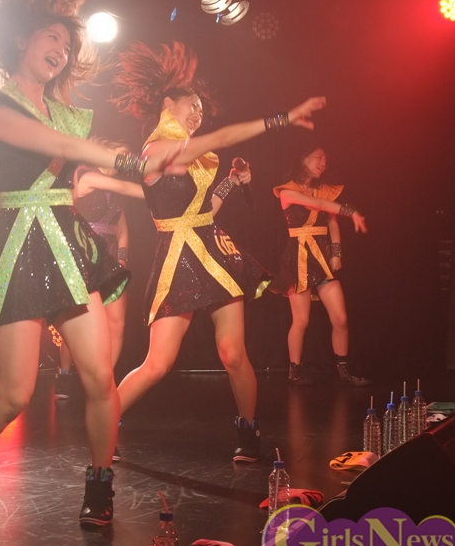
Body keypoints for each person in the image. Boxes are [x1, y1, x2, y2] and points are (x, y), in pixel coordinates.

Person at [0, 0, 185, 526]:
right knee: (14, 395)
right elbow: (62, 147)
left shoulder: (68, 112)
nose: (63, 51)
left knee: (99, 377)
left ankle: (100, 484)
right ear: (23, 39)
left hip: (68, 246)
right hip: (19, 250)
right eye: (53, 38)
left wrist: (149, 165)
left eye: (69, 46)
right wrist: (128, 162)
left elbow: (81, 157)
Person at [112, 41, 326, 462]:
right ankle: (104, 424)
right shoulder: (157, 150)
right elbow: (225, 136)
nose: (198, 113)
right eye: (191, 105)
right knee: (157, 364)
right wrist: (282, 118)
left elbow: (205, 211)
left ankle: (248, 429)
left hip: (213, 254)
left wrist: (231, 182)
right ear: (168, 103)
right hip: (176, 258)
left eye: (201, 110)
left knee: (233, 353)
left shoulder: (195, 158)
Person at [273, 144, 370, 386]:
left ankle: (344, 371)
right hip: (297, 257)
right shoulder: (288, 191)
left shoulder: (324, 191)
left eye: (325, 159)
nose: (322, 163)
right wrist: (352, 211)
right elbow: (321, 205)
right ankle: (295, 370)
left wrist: (336, 253)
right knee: (301, 320)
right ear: (303, 158)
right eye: (318, 157)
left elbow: (331, 221)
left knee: (340, 318)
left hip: (320, 257)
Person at [53, 153, 132, 408]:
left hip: (110, 258)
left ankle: (105, 381)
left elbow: (123, 230)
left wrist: (122, 259)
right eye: (120, 153)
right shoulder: (84, 174)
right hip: (84, 253)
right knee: (76, 317)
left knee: (117, 323)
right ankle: (65, 374)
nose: (124, 158)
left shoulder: (115, 196)